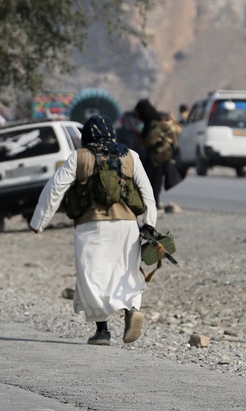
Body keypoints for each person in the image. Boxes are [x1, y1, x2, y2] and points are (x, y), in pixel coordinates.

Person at [30, 114, 157, 345]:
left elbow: (54, 189)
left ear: (86, 135)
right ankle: (132, 310)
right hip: (127, 227)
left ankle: (102, 331)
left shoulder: (78, 158)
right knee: (127, 272)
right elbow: (148, 194)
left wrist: (39, 221)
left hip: (91, 227)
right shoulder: (130, 156)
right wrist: (149, 224)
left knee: (92, 276)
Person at [134, 99, 180, 210]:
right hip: (164, 155)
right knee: (155, 181)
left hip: (157, 157)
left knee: (153, 181)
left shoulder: (154, 122)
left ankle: (153, 204)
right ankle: (153, 202)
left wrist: (140, 137)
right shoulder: (158, 119)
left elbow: (149, 141)